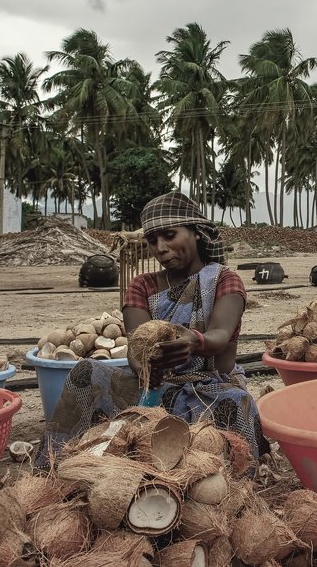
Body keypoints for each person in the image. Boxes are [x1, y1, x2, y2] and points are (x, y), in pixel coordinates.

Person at [37, 191, 269, 468]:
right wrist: (147, 366)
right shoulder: (142, 286)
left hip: (211, 385)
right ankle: (57, 464)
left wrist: (195, 341)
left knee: (236, 401)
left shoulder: (224, 280)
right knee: (87, 371)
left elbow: (220, 335)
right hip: (152, 384)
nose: (160, 247)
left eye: (169, 235)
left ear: (196, 232)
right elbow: (137, 346)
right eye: (152, 240)